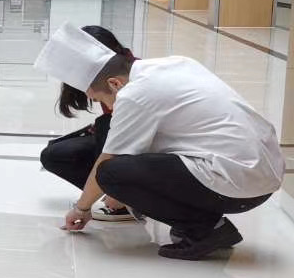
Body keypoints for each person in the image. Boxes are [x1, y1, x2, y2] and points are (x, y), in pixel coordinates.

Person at [38, 23, 283, 260]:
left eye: (97, 96)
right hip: (262, 172)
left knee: (111, 174)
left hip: (241, 183)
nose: (102, 104)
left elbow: (108, 159)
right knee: (112, 160)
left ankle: (206, 229)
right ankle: (196, 217)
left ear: (114, 84)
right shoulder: (175, 64)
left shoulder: (135, 95)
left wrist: (81, 209)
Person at [39, 25, 138, 223]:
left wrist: (82, 208)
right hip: (117, 137)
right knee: (55, 155)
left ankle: (125, 198)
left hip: (137, 146)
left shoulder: (131, 78)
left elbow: (123, 142)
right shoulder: (104, 76)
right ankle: (111, 193)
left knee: (105, 126)